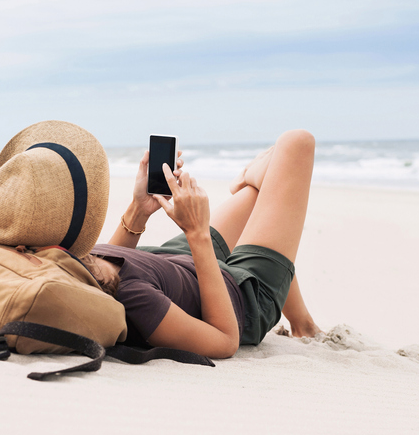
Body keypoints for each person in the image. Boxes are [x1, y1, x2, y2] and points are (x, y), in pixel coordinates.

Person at [81, 129, 321, 358]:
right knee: (296, 143)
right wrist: (196, 233)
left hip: (166, 261)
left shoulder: (58, 257)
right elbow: (225, 340)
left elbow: (105, 268)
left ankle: (303, 324)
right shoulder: (135, 297)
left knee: (271, 179)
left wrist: (138, 209)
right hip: (236, 294)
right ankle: (304, 326)